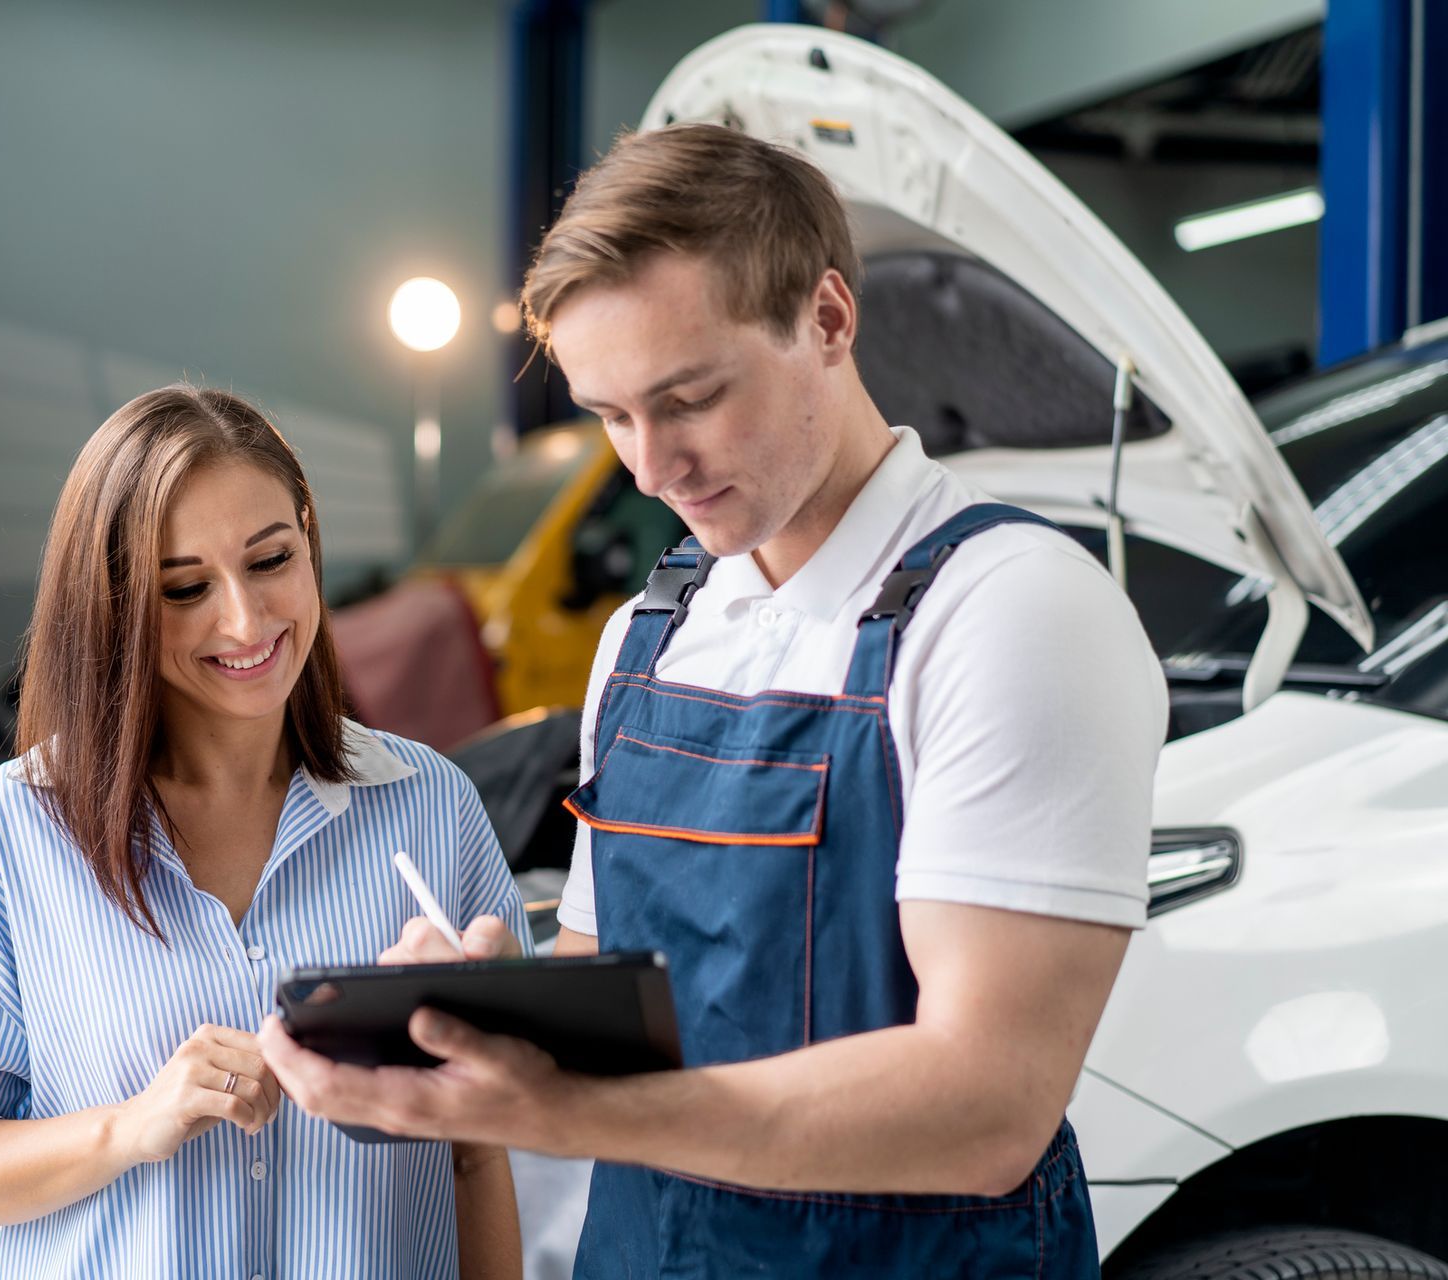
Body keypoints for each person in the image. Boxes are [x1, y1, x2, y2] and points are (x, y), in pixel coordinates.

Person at [260, 123, 1168, 1278]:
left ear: (829, 319)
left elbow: (987, 1105)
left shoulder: (1011, 614)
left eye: (689, 396)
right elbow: (610, 979)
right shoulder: (654, 630)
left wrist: (556, 1113)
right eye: (610, 414)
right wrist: (492, 1003)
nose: (651, 467)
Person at [0, 386, 530, 1279]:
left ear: (309, 540)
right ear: (115, 606)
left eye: (272, 559)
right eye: (187, 588)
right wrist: (131, 1127)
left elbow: (480, 1150)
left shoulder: (429, 803)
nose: (245, 621)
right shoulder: (18, 828)